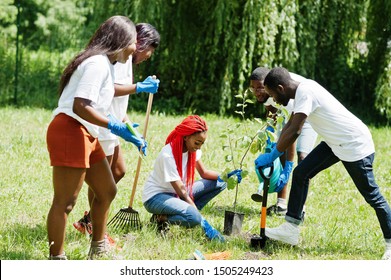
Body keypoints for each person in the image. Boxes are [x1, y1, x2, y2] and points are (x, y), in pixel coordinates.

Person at [255, 66, 391, 260]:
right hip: (335, 142)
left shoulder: (306, 92)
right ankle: (291, 229)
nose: (273, 101)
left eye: (273, 95)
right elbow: (289, 125)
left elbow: (296, 131)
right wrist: (274, 150)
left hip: (354, 145)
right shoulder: (299, 92)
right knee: (301, 172)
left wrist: (274, 155)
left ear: (281, 87)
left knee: (373, 196)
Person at [46, 16, 147, 260]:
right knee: (65, 202)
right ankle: (56, 259)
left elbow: (101, 102)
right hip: (71, 130)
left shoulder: (106, 64)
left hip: (86, 133)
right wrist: (113, 125)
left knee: (107, 190)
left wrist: (123, 125)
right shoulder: (97, 64)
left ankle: (98, 247)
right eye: (134, 42)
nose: (135, 48)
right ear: (122, 41)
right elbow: (81, 106)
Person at [73, 23, 161, 236]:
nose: (149, 56)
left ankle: (90, 220)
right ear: (140, 43)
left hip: (114, 122)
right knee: (104, 185)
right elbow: (110, 90)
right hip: (104, 124)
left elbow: (120, 103)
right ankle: (93, 225)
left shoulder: (128, 61)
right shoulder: (121, 58)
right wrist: (139, 87)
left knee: (118, 171)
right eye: (150, 49)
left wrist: (131, 129)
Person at [142, 115, 242, 240]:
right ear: (186, 137)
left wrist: (227, 176)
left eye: (202, 143)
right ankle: (161, 218)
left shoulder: (192, 150)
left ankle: (178, 212)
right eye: (197, 143)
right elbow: (182, 193)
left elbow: (204, 173)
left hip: (177, 194)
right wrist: (203, 222)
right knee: (194, 218)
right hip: (156, 197)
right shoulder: (168, 155)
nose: (199, 147)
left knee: (220, 183)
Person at [249, 67, 317, 216]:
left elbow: (292, 133)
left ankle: (300, 208)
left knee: (302, 159)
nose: (257, 92)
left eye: (260, 87)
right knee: (279, 152)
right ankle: (281, 204)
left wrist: (288, 167)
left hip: (309, 118)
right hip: (290, 118)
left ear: (269, 85)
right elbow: (271, 110)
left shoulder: (285, 92)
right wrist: (269, 135)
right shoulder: (267, 91)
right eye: (253, 88)